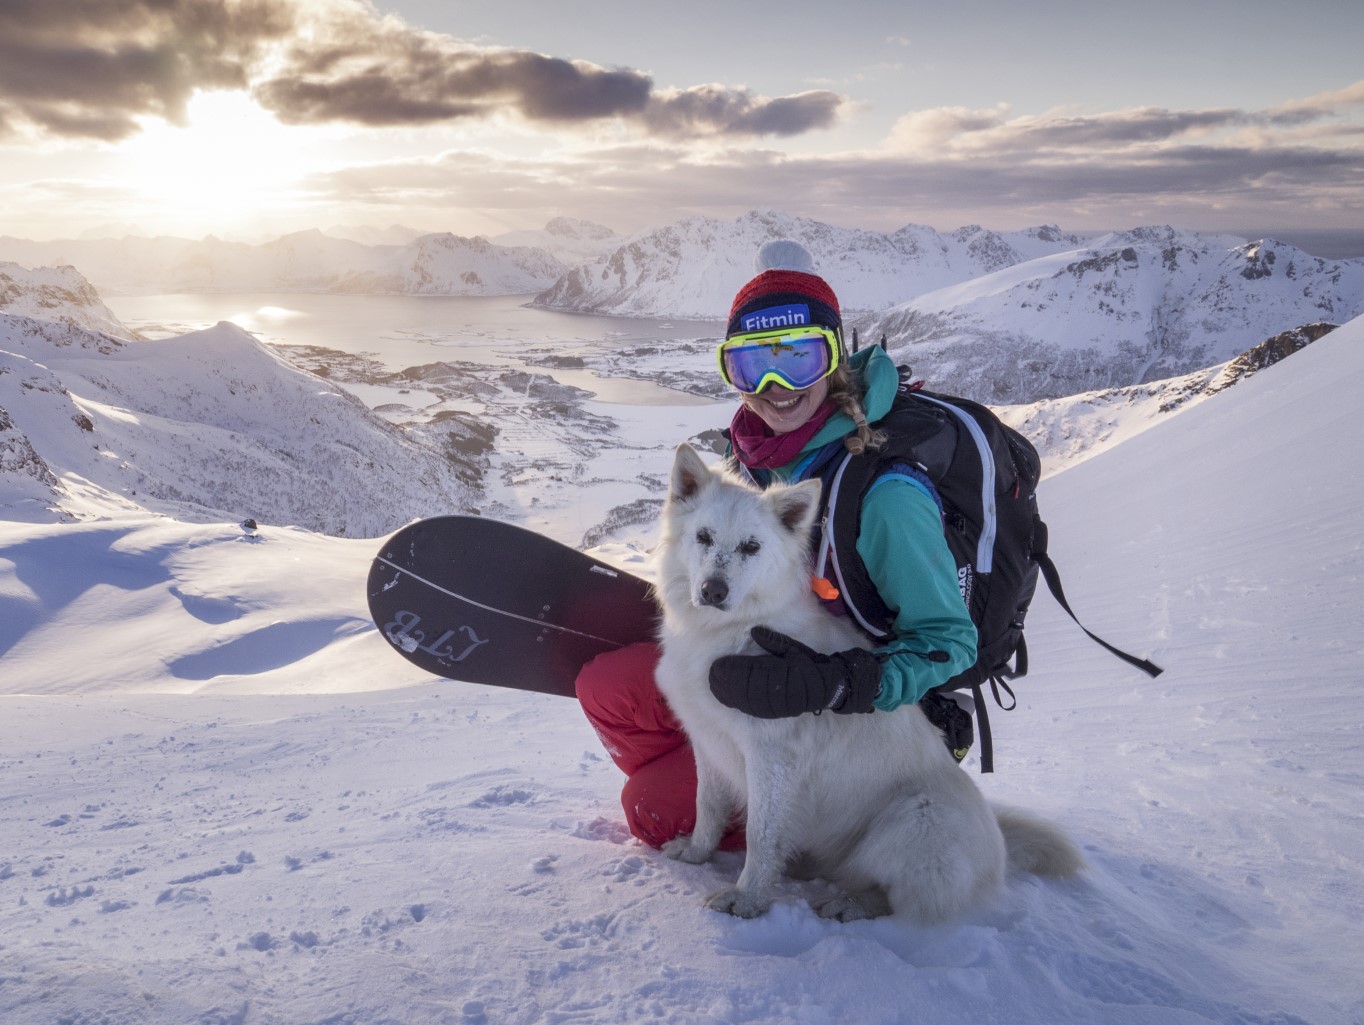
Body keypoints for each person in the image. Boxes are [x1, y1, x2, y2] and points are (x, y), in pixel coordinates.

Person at [575, 240, 978, 850]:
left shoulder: (885, 494)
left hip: (860, 726)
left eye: (799, 361)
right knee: (615, 686)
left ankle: (817, 827)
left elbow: (950, 643)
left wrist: (837, 684)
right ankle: (724, 780)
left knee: (652, 811)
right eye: (750, 365)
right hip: (757, 674)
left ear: (836, 359)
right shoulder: (756, 460)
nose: (773, 387)